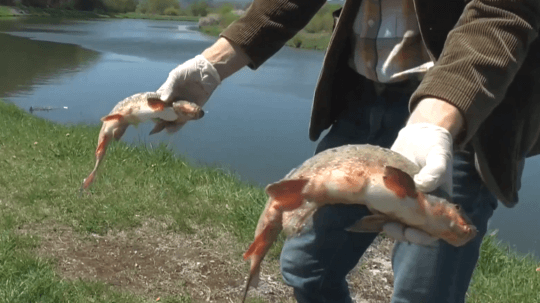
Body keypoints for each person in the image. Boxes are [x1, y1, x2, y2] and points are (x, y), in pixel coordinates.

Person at [157, 0, 540, 302]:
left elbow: (505, 8)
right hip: (362, 100)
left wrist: (434, 119)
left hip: (457, 114)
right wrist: (211, 65)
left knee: (423, 295)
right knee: (307, 268)